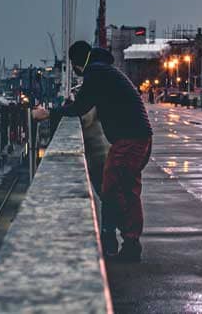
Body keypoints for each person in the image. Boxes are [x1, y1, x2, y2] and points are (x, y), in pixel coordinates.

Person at [32, 40, 153, 261]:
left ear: (77, 64)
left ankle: (130, 243)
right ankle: (130, 243)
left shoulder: (95, 72)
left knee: (114, 189)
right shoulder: (104, 69)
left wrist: (48, 113)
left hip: (129, 139)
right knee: (126, 189)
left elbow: (80, 107)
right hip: (138, 135)